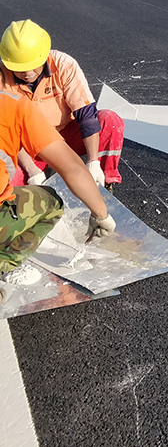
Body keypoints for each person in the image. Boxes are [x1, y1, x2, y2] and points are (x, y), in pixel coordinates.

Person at [0, 89, 115, 303]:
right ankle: (3, 262)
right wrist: (101, 214)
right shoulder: (10, 104)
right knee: (51, 202)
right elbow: (72, 168)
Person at [0, 20, 125, 191]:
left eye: (32, 66)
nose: (28, 74)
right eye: (20, 68)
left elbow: (86, 116)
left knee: (109, 122)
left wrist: (93, 161)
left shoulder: (63, 64)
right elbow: (6, 133)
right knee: (7, 183)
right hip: (28, 146)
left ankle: (104, 182)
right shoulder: (1, 78)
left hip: (66, 136)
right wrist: (31, 170)